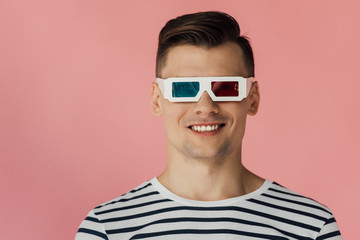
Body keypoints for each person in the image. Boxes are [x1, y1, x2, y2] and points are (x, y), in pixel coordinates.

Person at [75, 11, 342, 240]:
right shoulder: (106, 229)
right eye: (184, 88)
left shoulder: (312, 227)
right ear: (157, 100)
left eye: (226, 87)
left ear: (252, 99)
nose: (205, 106)